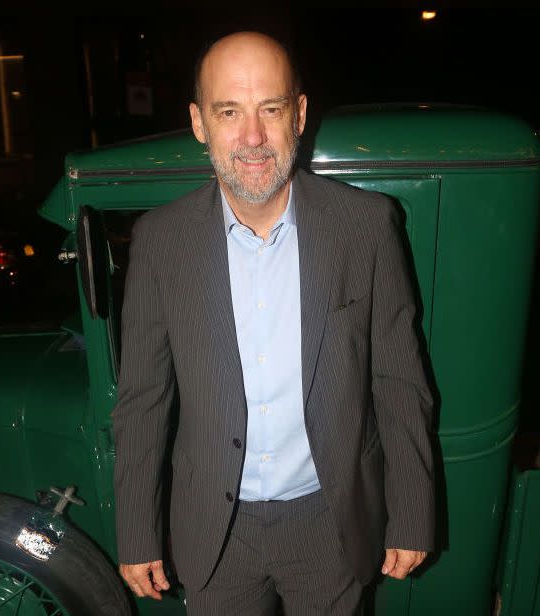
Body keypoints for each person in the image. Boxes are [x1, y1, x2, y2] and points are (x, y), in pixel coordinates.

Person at [112, 31, 435, 615]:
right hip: (214, 529)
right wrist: (137, 532)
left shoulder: (364, 227)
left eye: (272, 109)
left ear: (300, 114)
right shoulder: (161, 242)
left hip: (329, 521)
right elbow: (142, 399)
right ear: (199, 123)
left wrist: (411, 510)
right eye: (229, 111)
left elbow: (399, 381)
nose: (253, 137)